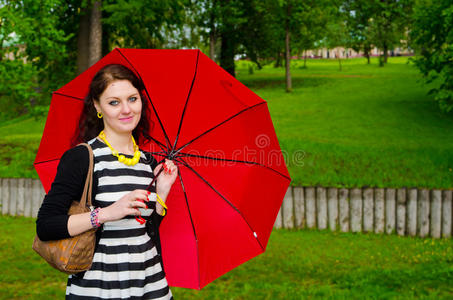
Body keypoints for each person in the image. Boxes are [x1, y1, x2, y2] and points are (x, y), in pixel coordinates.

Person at [36, 64, 177, 299]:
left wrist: (161, 192)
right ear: (97, 106)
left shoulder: (148, 162)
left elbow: (144, 230)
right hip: (100, 287)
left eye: (132, 99)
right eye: (114, 102)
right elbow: (46, 226)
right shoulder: (82, 158)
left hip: (150, 285)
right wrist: (106, 213)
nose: (126, 109)